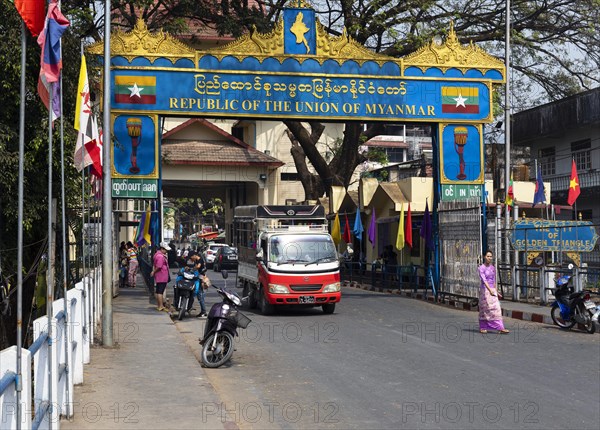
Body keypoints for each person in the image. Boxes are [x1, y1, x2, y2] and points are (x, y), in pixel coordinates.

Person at [478, 250, 509, 334]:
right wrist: (489, 290)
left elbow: (494, 280)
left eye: (491, 256)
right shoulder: (481, 268)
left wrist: (496, 290)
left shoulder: (492, 268)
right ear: (484, 257)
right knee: (485, 309)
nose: (489, 258)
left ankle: (500, 327)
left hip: (492, 290)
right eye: (488, 256)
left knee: (497, 309)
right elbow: (484, 280)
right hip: (485, 291)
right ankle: (483, 327)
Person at [151, 242, 171, 312]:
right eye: (165, 250)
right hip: (161, 276)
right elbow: (159, 266)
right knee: (160, 292)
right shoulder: (160, 256)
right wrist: (154, 272)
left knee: (158, 291)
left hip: (160, 276)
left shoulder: (158, 255)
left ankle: (160, 305)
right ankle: (160, 306)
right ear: (162, 249)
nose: (166, 251)